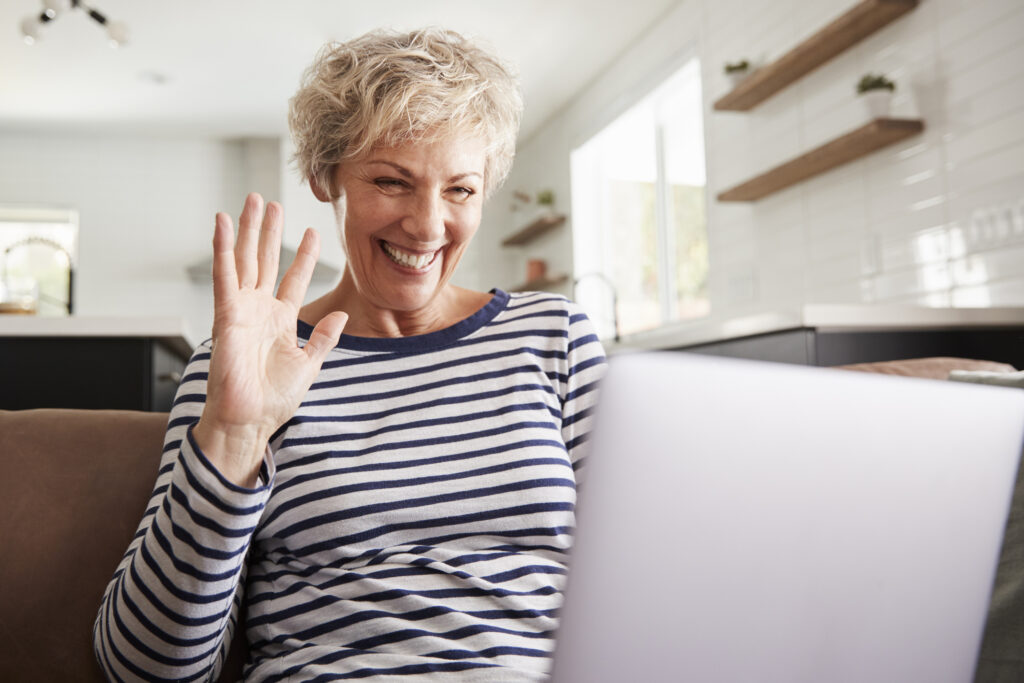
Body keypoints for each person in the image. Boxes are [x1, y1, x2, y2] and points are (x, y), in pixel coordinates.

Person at [94, 28, 606, 681]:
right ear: (323, 175)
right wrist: (232, 437)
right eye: (392, 181)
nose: (427, 225)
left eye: (460, 189)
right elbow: (141, 669)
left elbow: (643, 577)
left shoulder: (554, 337)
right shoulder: (245, 361)